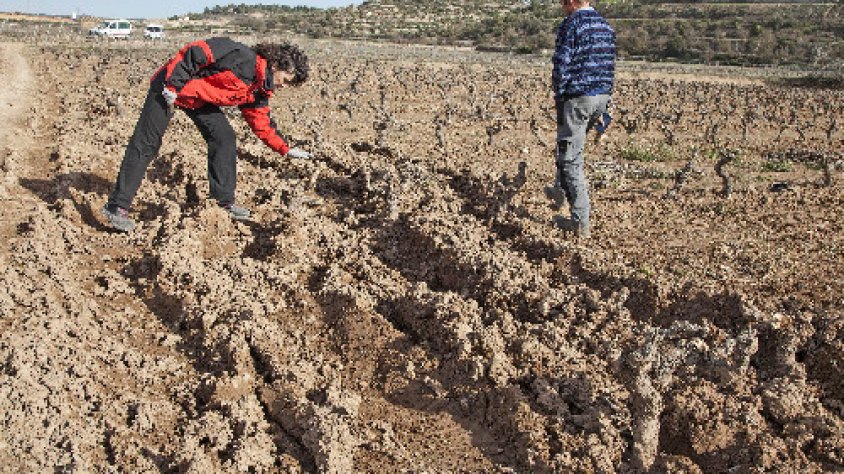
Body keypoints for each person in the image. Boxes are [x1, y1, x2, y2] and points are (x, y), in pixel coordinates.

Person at [101, 37, 312, 232]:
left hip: (198, 99)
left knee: (224, 137)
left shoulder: (260, 89)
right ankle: (117, 206)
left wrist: (284, 149)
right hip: (168, 87)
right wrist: (173, 85)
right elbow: (195, 52)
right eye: (286, 79)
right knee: (147, 142)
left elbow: (261, 121)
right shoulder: (239, 55)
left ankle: (223, 202)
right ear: (276, 65)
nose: (284, 86)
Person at [549, 0, 615, 239]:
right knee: (571, 149)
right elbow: (609, 66)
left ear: (571, 2)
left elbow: (561, 64)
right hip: (601, 97)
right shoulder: (604, 25)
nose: (561, 6)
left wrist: (559, 93)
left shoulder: (572, 24)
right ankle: (558, 191)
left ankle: (579, 222)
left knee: (570, 160)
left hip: (578, 98)